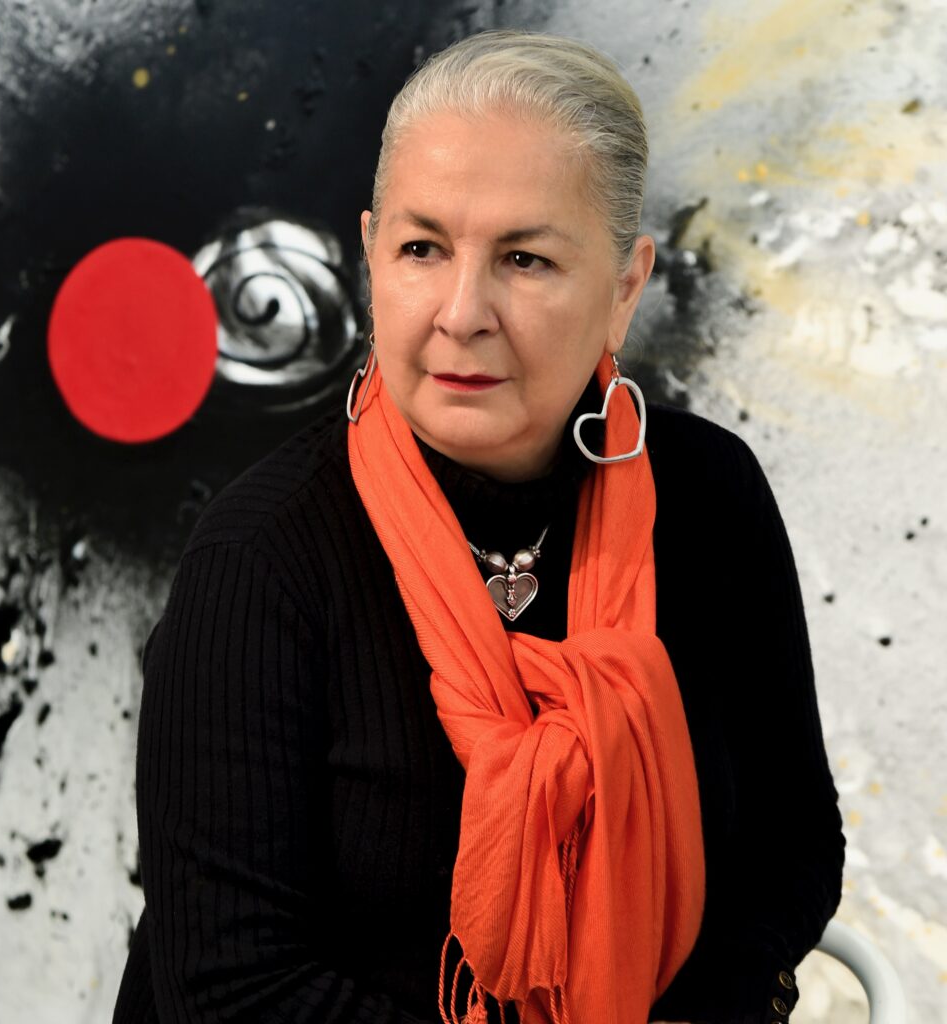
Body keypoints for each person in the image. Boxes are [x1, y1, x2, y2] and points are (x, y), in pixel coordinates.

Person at [113, 28, 845, 1024]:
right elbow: (236, 987)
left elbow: (789, 842)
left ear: (623, 288)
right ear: (373, 253)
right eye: (422, 248)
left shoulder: (709, 494)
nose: (461, 312)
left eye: (525, 258)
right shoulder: (261, 558)